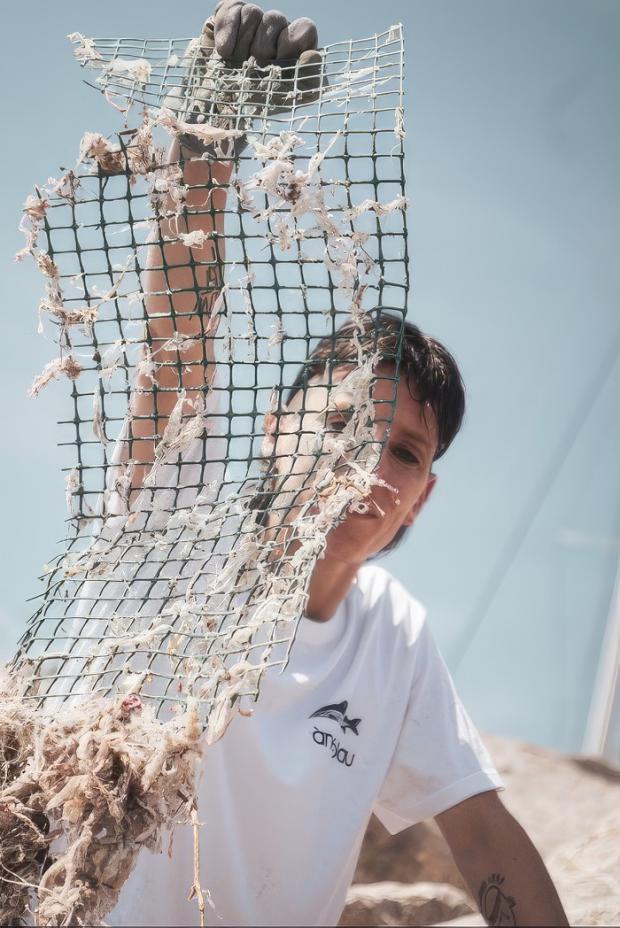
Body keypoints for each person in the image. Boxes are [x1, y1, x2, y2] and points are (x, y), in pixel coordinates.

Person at [108, 3, 570, 925]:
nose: (368, 464)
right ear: (278, 428)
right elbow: (178, 341)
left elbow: (479, 835)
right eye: (344, 424)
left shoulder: (392, 636)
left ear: (420, 500)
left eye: (402, 452)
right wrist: (214, 134)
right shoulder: (173, 524)